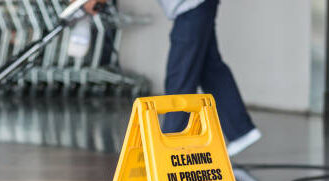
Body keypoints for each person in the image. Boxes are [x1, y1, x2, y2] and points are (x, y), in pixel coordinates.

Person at [81, 0, 261, 156]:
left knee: (179, 76)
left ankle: (171, 146)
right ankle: (241, 130)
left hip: (191, 6)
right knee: (210, 69)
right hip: (196, 6)